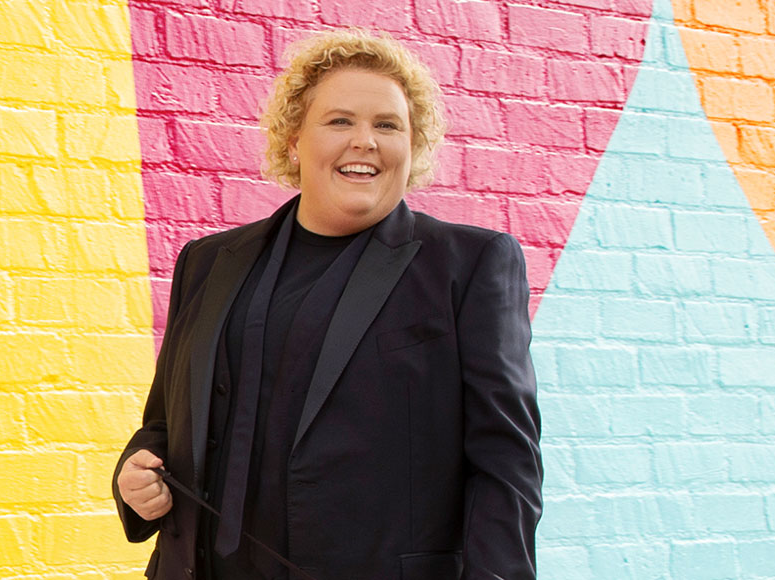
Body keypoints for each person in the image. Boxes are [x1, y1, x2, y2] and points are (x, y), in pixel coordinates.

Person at [114, 28, 542, 580]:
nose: (365, 140)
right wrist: (135, 476)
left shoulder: (469, 264)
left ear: (413, 148)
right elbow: (165, 427)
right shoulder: (207, 260)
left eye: (387, 125)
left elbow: (506, 464)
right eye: (340, 121)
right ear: (294, 140)